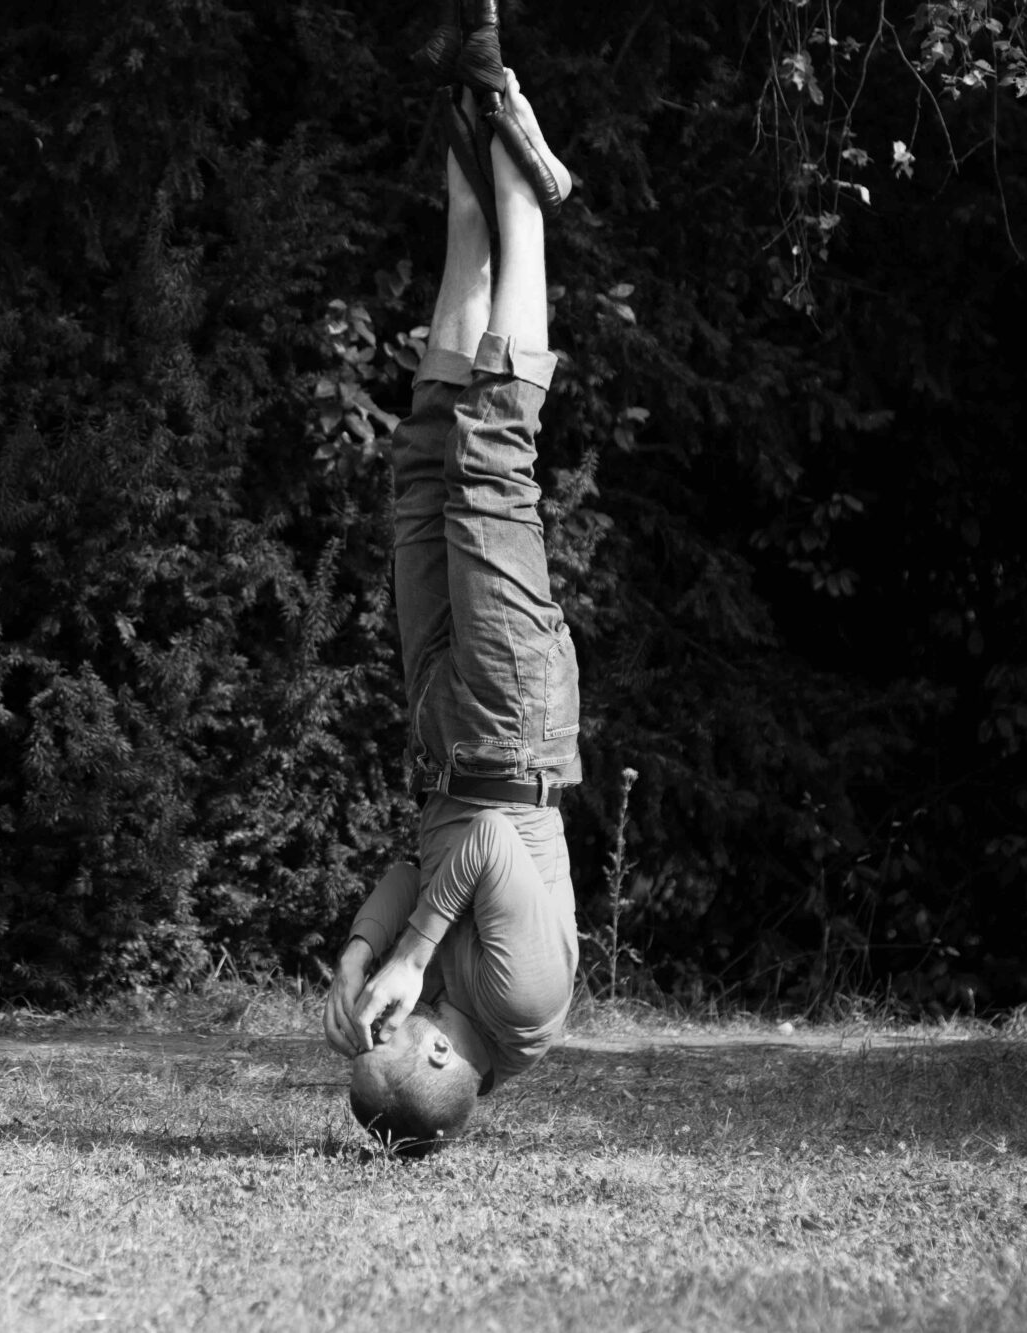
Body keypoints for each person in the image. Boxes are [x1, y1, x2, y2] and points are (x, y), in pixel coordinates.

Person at [322, 72, 579, 1158]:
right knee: (489, 465)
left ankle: (472, 206)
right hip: (510, 728)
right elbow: (476, 846)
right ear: (433, 1059)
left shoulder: (445, 1012)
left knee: (424, 463)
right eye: (392, 1031)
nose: (390, 1015)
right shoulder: (524, 1004)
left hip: (447, 738)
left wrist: (360, 946)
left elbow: (417, 868)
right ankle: (524, 200)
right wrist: (416, 953)